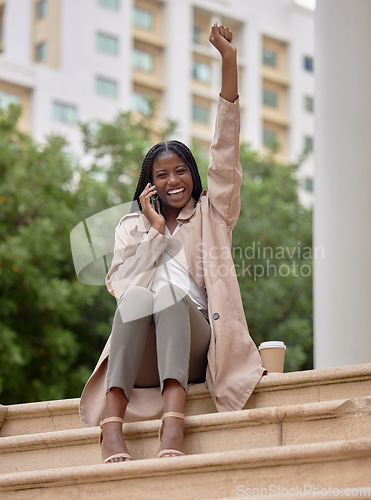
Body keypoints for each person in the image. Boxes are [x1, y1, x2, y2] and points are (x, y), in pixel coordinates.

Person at [79, 22, 265, 463]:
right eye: (162, 175)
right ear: (150, 185)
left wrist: (229, 61)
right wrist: (156, 233)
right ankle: (111, 432)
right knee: (140, 297)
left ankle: (173, 428)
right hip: (143, 353)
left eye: (180, 170)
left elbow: (225, 151)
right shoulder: (132, 227)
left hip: (198, 346)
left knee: (167, 294)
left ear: (192, 175)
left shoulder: (212, 213)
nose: (173, 181)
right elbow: (122, 289)